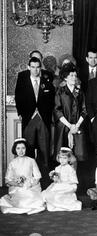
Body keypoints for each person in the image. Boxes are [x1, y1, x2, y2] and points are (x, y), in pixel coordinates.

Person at [15, 56, 55, 187]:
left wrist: (47, 117)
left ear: (40, 68)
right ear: (28, 67)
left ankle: (44, 183)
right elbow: (18, 98)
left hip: (43, 119)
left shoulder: (47, 82)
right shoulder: (23, 82)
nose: (35, 70)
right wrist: (21, 114)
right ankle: (30, 183)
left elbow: (51, 102)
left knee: (44, 152)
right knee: (29, 151)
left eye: (38, 67)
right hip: (29, 119)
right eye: (33, 67)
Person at [0, 138, 45, 215]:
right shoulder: (12, 163)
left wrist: (31, 184)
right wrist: (18, 184)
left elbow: (37, 176)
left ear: (26, 149)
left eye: (23, 148)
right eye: (18, 148)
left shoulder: (31, 160)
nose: (21, 151)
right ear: (15, 149)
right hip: (17, 187)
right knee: (21, 199)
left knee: (30, 195)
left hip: (30, 185)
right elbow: (8, 180)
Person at [54, 62, 88, 162]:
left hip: (78, 126)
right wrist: (70, 126)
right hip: (64, 127)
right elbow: (57, 110)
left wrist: (76, 125)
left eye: (75, 75)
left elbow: (84, 110)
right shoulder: (60, 92)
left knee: (78, 155)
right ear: (65, 77)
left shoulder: (80, 92)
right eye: (71, 75)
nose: (74, 77)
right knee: (63, 155)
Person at [42, 147, 82, 211]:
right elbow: (56, 180)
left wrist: (62, 182)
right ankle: (54, 204)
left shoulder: (70, 169)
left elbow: (73, 181)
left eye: (65, 158)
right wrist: (55, 178)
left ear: (69, 159)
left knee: (56, 190)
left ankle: (66, 205)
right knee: (49, 192)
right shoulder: (57, 168)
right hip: (59, 184)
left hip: (69, 185)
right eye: (60, 158)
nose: (62, 160)